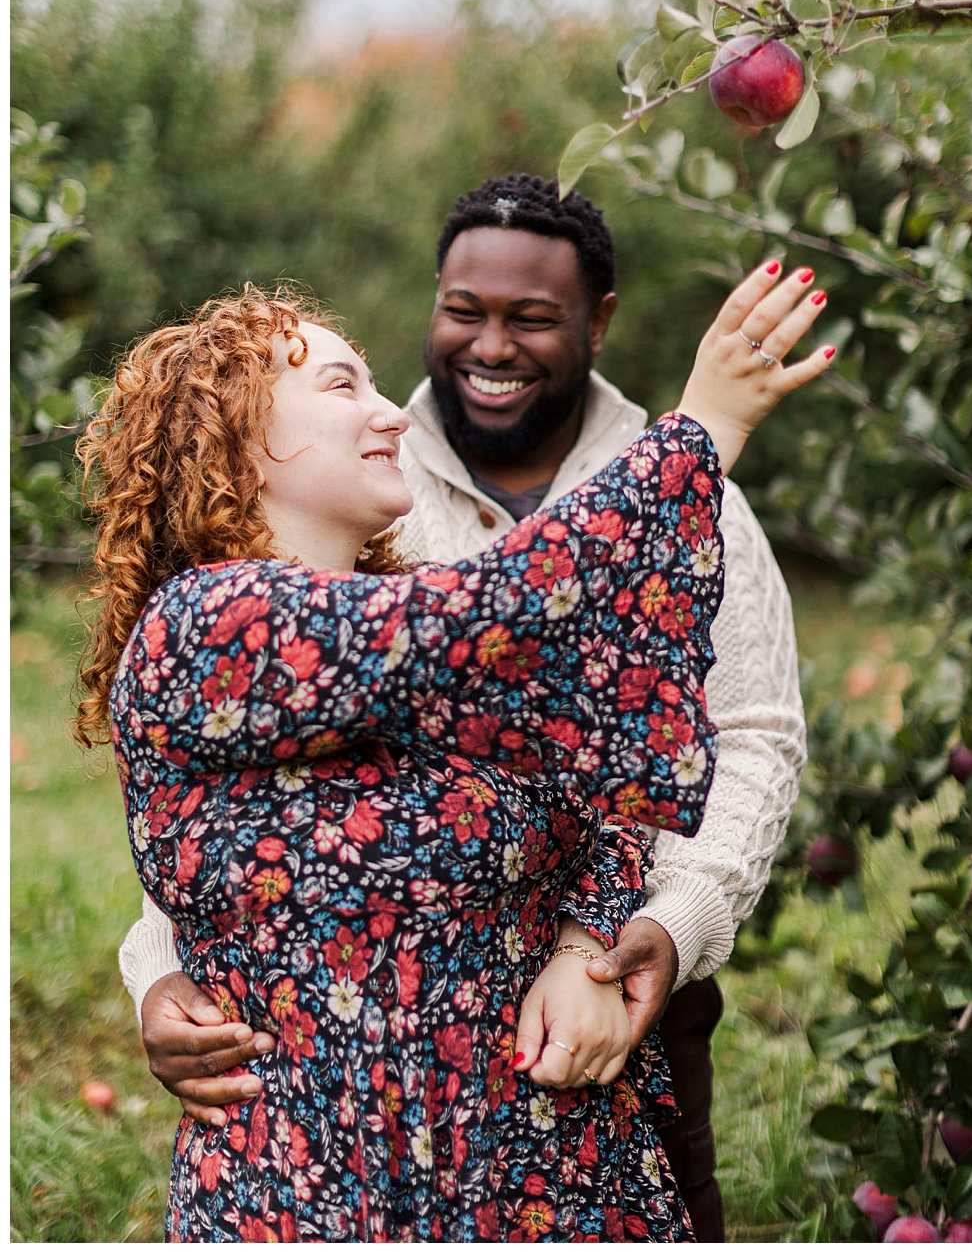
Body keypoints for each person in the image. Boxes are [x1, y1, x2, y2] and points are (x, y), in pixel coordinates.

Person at [77, 262, 833, 1239]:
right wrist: (702, 432)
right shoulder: (209, 629)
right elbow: (498, 608)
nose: (393, 414)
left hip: (552, 1183)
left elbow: (603, 794)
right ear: (235, 440)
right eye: (344, 386)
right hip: (320, 1200)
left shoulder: (432, 635)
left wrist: (584, 945)